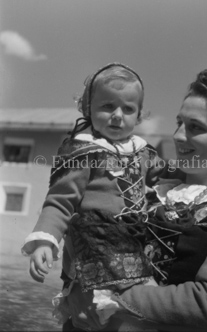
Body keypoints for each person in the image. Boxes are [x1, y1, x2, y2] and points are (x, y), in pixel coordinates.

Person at [76, 68, 207, 331]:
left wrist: (111, 296)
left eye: (195, 127)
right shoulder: (149, 186)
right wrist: (80, 295)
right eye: (179, 122)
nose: (178, 135)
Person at [21, 62, 163, 331]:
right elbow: (60, 201)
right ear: (88, 109)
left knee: (132, 317)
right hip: (93, 251)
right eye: (108, 106)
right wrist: (44, 243)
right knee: (89, 318)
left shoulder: (143, 153)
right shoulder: (84, 152)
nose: (118, 115)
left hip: (133, 252)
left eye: (128, 109)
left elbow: (165, 177)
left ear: (139, 115)